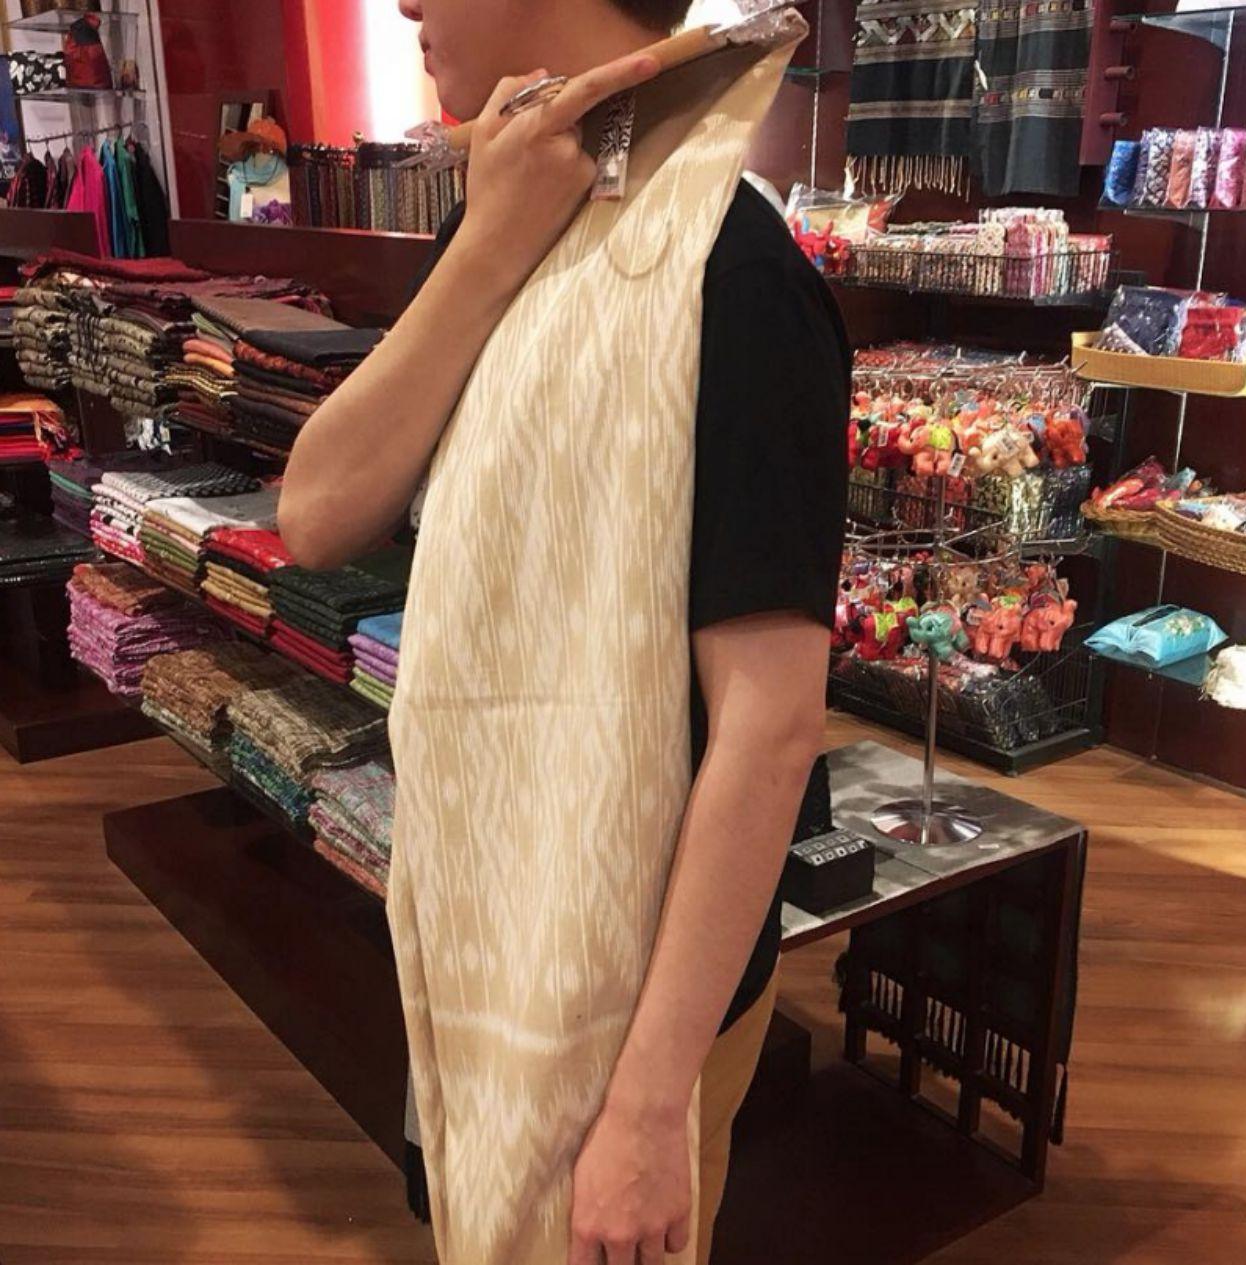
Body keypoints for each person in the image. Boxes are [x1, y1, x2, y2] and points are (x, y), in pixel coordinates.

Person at [278, 1, 849, 1261]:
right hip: (486, 917)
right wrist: (487, 240)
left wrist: (646, 1108)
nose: (405, 6)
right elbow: (315, 513)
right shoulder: (500, 223)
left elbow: (769, 724)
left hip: (635, 982)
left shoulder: (733, 272)